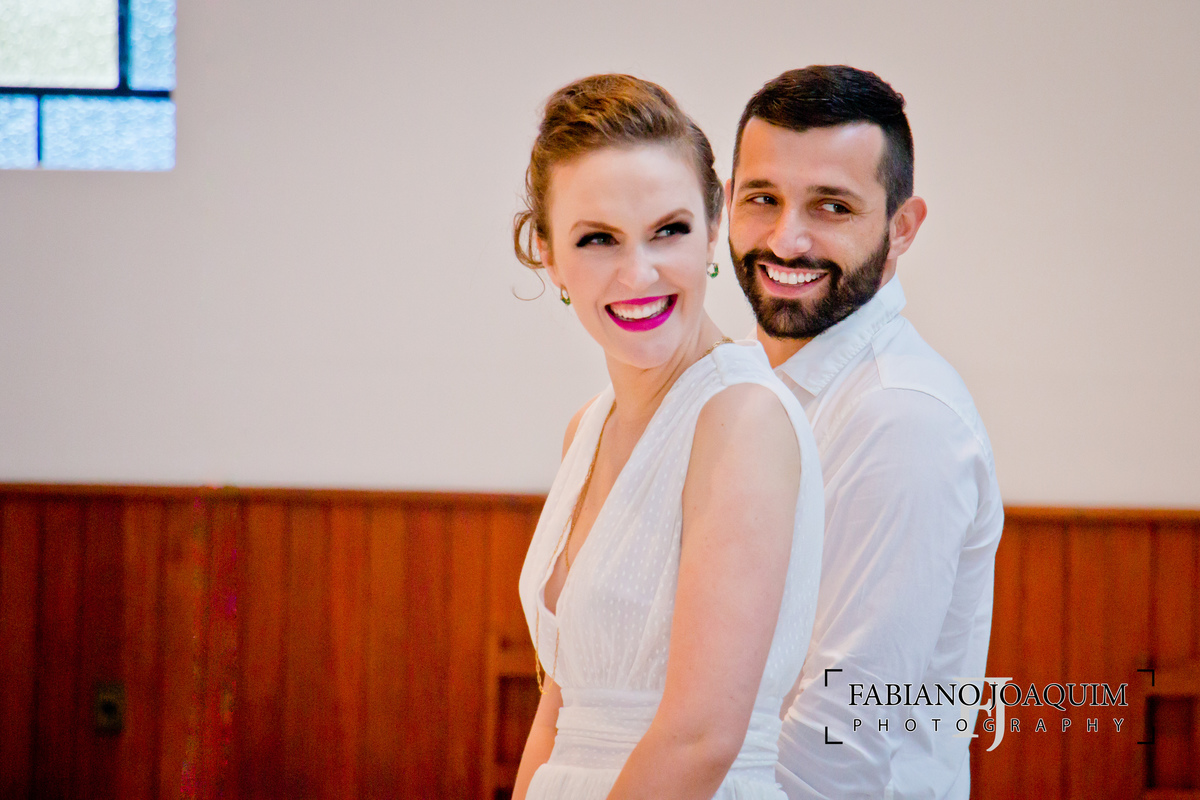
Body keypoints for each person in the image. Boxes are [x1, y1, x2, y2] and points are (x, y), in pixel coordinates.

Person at [511, 74, 825, 800]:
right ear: (549, 254)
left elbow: (700, 737)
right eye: (598, 239)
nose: (638, 273)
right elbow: (560, 707)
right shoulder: (587, 428)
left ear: (713, 226)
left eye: (669, 230)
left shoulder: (741, 418)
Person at [725, 65, 1004, 799]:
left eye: (832, 206)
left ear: (901, 227)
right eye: (763, 198)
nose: (787, 240)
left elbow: (839, 742)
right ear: (727, 203)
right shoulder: (733, 383)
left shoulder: (903, 418)